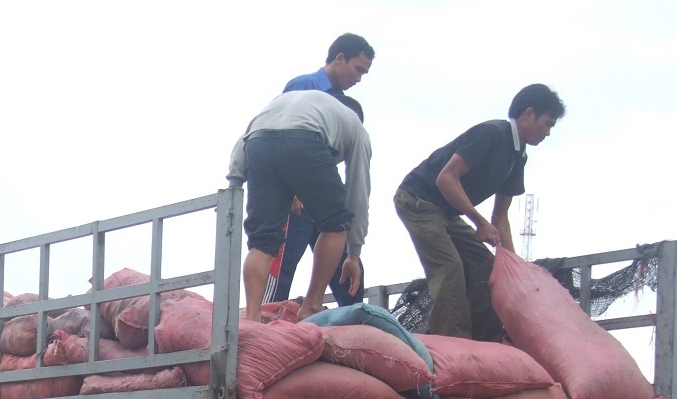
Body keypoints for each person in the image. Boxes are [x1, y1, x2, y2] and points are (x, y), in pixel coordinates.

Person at [393, 83, 565, 341]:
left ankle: (488, 341)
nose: (548, 133)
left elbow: (500, 217)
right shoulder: (491, 134)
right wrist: (479, 222)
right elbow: (446, 178)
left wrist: (515, 266)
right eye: (547, 124)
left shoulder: (518, 158)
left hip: (448, 212)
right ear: (528, 114)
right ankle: (453, 342)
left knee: (488, 267)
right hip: (418, 199)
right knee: (450, 268)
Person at [227, 89, 371, 322]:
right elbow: (358, 193)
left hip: (258, 142)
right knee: (336, 223)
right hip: (305, 140)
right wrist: (353, 254)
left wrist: (235, 182)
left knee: (262, 239)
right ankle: (312, 305)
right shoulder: (357, 129)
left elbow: (246, 136)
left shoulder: (291, 105)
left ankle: (252, 316)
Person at [263, 33, 374, 308]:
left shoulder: (342, 102)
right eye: (358, 69)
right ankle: (264, 317)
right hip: (297, 198)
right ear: (339, 59)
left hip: (323, 195)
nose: (359, 78)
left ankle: (354, 316)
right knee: (283, 264)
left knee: (344, 263)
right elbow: (281, 134)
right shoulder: (305, 85)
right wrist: (290, 192)